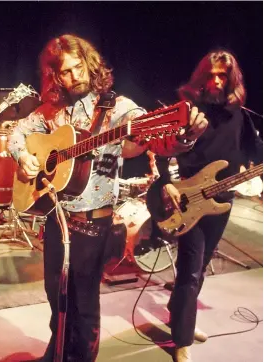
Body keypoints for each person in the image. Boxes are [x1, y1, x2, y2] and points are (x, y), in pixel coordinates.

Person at [7, 34, 208, 362]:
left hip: (92, 223)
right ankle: (56, 350)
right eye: (65, 72)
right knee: (55, 296)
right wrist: (23, 157)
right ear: (55, 76)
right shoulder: (51, 110)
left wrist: (183, 138)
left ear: (89, 63)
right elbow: (18, 133)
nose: (74, 77)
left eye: (78, 68)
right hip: (56, 218)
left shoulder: (118, 108)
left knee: (84, 305)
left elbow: (154, 140)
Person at [148, 50, 262, 362]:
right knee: (190, 270)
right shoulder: (188, 109)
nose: (215, 80)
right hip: (188, 198)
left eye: (222, 75)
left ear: (231, 79)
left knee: (200, 268)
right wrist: (167, 180)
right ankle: (181, 340)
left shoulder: (241, 115)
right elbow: (160, 146)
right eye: (210, 74)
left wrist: (249, 173)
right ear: (202, 76)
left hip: (221, 199)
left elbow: (245, 154)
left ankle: (180, 317)